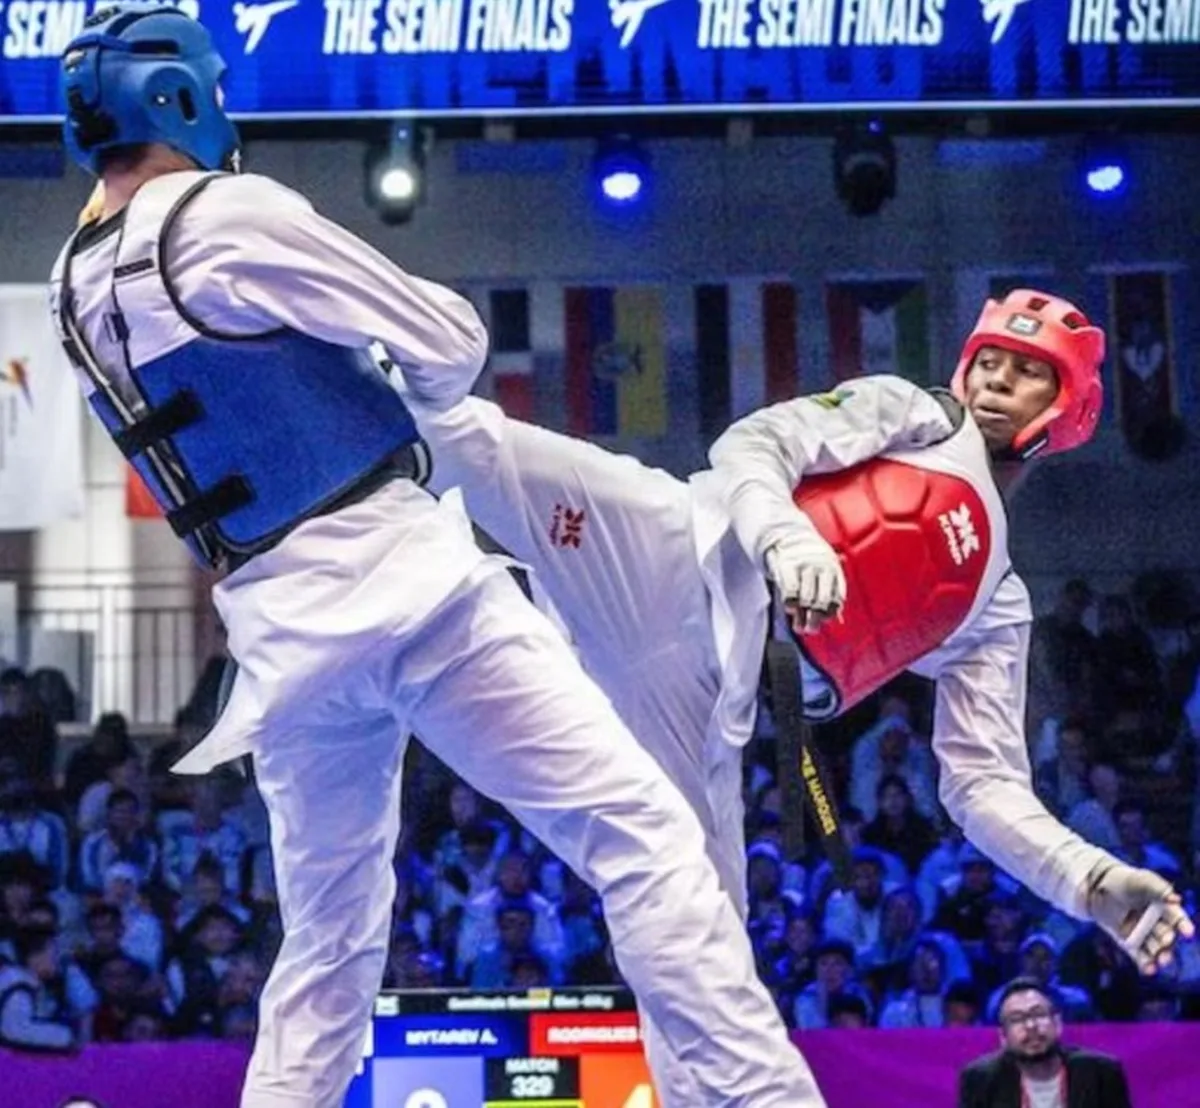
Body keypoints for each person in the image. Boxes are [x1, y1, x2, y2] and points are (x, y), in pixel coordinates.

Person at [52, 8, 822, 1108]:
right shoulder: (226, 216)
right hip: (410, 588)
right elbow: (448, 341)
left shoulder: (72, 286)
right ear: (180, 98)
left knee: (327, 946)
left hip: (279, 639)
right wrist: (384, 359)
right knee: (642, 832)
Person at [406, 288, 1195, 1098]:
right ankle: (298, 400)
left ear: (1067, 409)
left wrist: (1090, 881)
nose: (996, 381)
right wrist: (784, 537)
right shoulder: (914, 414)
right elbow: (753, 444)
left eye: (1027, 373)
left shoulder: (994, 604)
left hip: (706, 705)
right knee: (474, 441)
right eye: (988, 361)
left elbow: (982, 785)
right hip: (662, 548)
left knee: (697, 950)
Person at [958, 976, 1132, 1108]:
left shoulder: (1101, 1073)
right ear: (1003, 1037)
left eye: (1038, 1014)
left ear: (1057, 1023)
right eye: (1017, 1019)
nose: (1031, 1026)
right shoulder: (981, 1080)